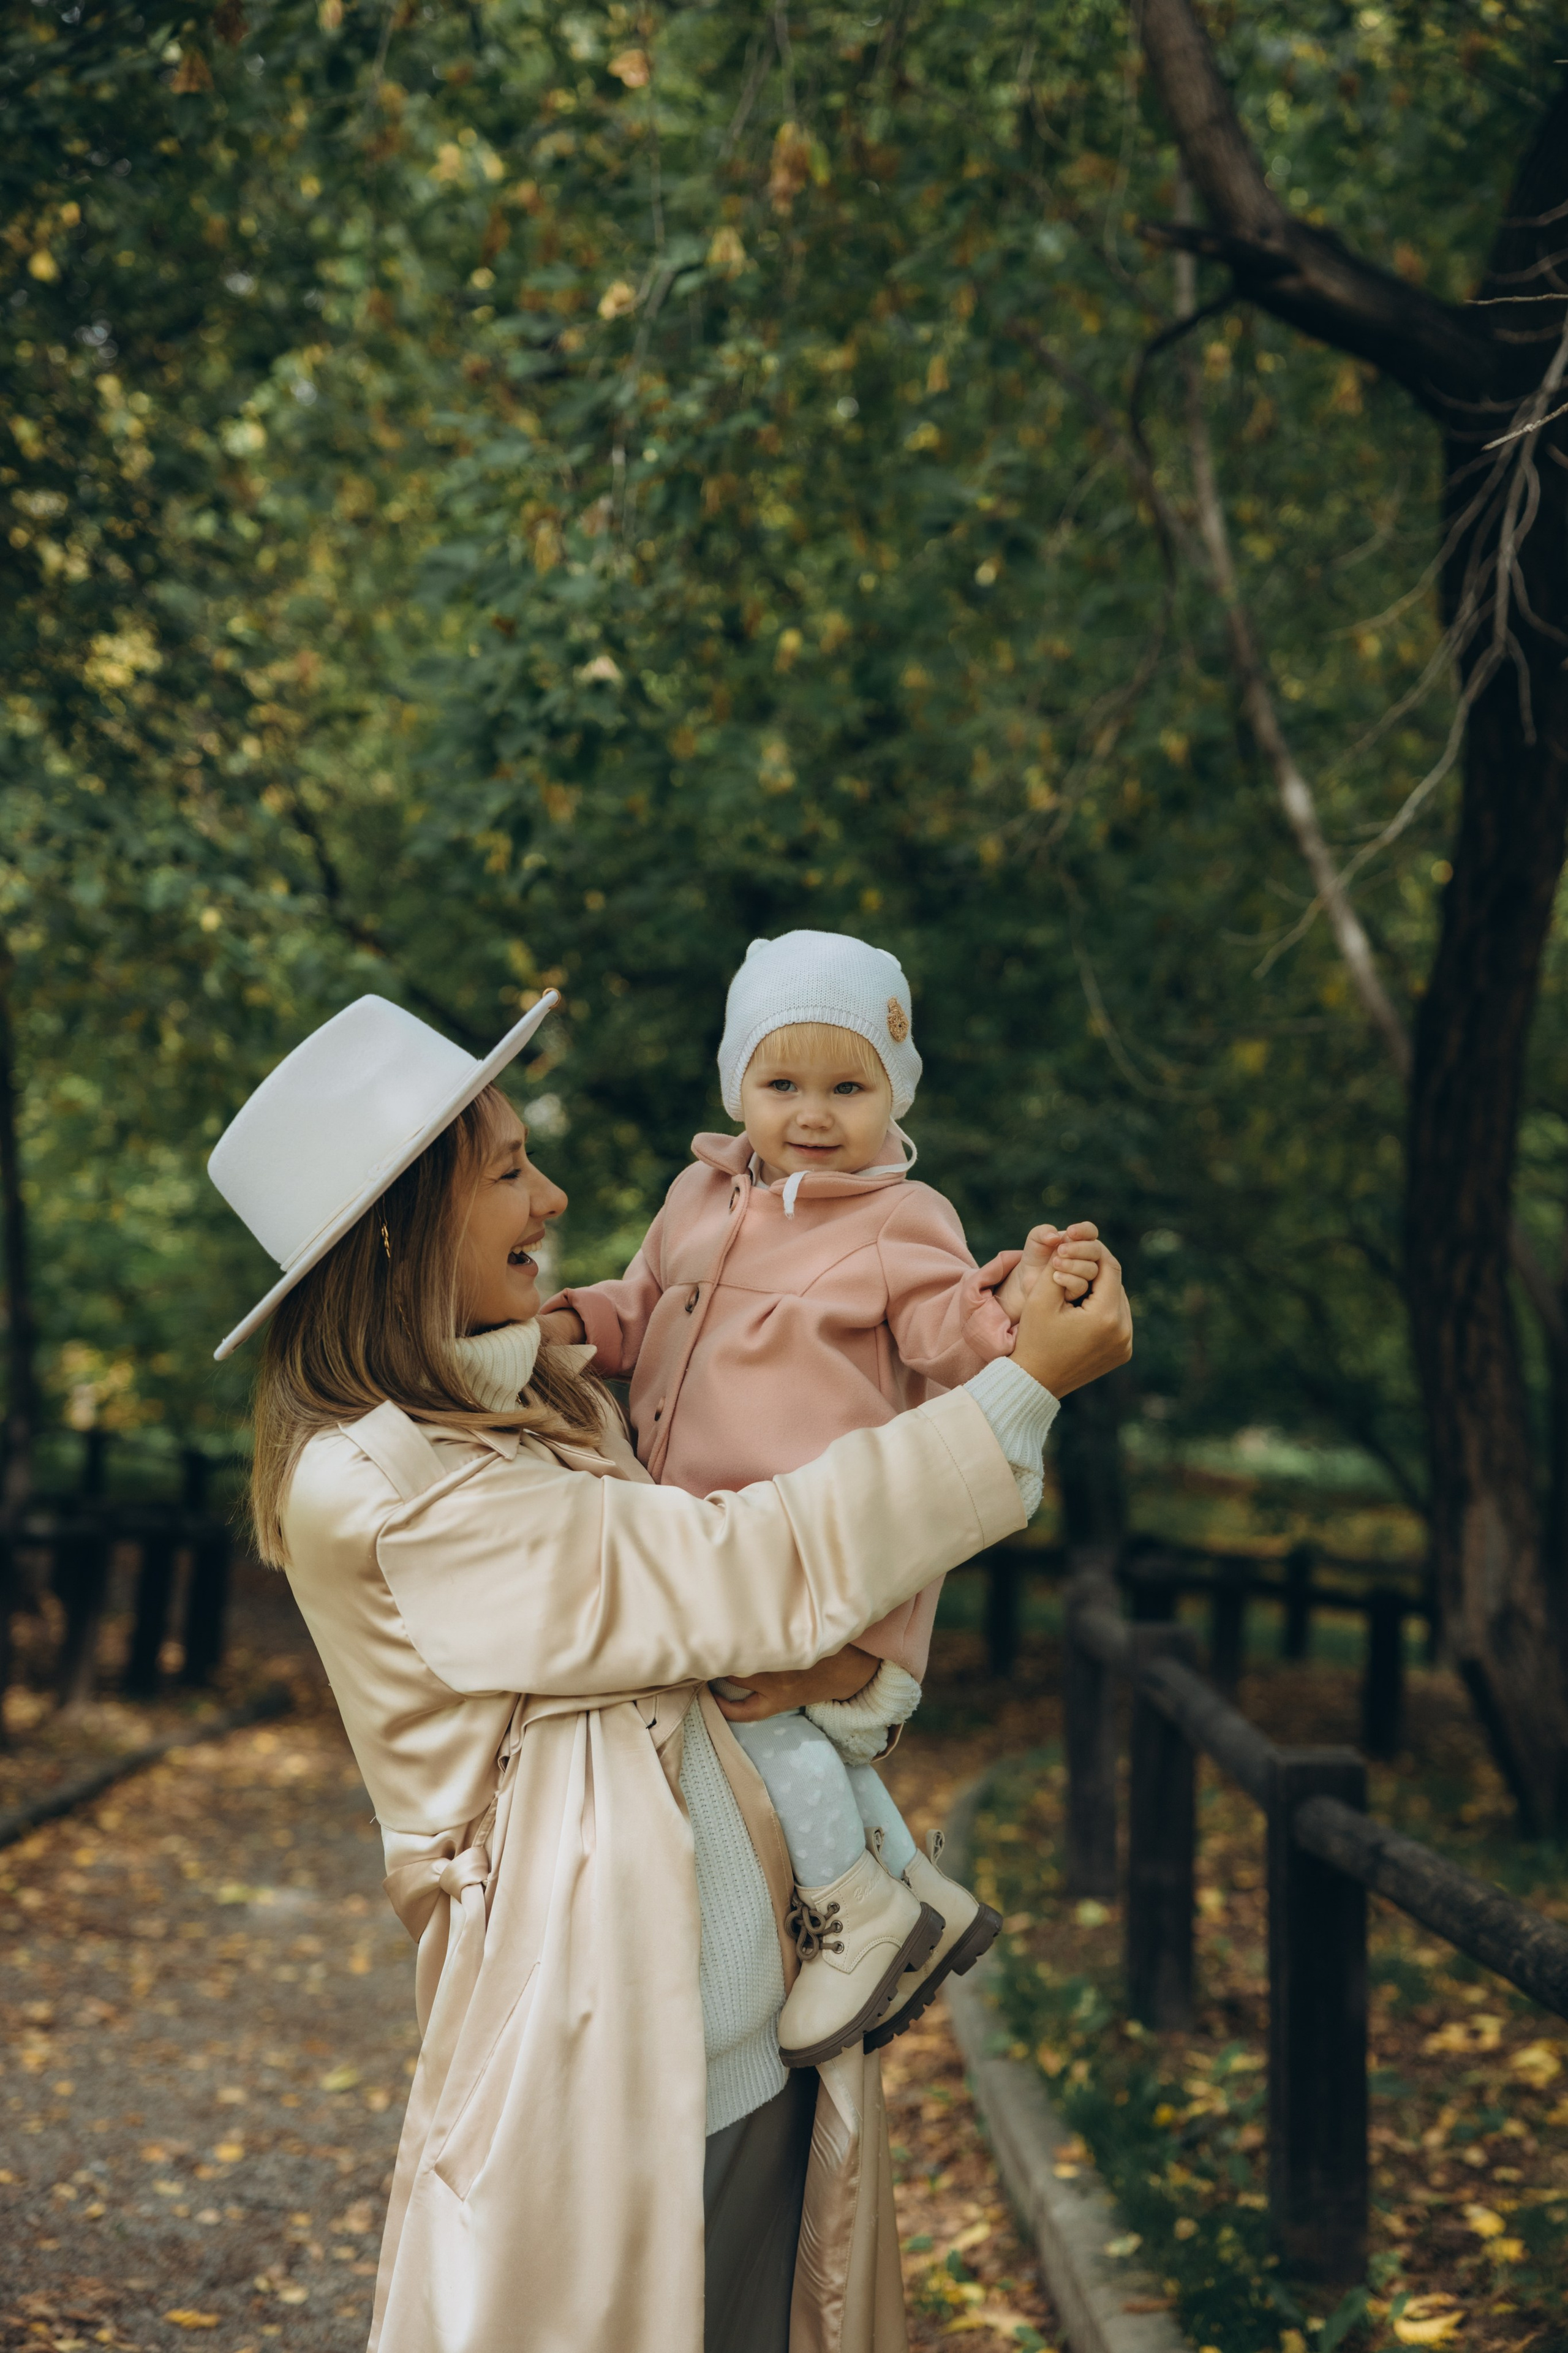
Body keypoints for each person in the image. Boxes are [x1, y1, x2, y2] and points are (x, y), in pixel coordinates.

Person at [205, 987, 1132, 2353]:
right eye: (511, 1169)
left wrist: (982, 1316)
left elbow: (775, 1393)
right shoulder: (391, 1485)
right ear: (396, 1229)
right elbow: (729, 1565)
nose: (553, 1196)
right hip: (621, 2068)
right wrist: (1020, 1396)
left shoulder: (515, 1397)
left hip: (732, 2028)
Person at [541, 929, 1100, 2069]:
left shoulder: (900, 1219)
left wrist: (1024, 1302)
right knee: (782, 1728)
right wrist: (575, 1328)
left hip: (821, 1538)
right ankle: (913, 1886)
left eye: (849, 1086)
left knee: (763, 1709)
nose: (811, 1112)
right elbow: (640, 1304)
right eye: (780, 1082)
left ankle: (852, 1903)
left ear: (895, 1093)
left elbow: (956, 1332)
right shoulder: (696, 1196)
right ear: (735, 1082)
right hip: (698, 1536)